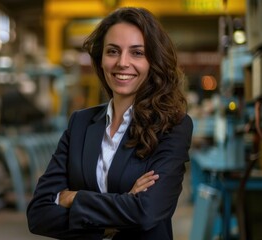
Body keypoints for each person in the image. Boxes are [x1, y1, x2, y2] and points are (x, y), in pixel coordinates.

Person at [26, 6, 193, 240]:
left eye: (137, 53)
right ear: (101, 59)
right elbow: (38, 214)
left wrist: (73, 198)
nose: (122, 63)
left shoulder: (172, 127)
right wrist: (112, 221)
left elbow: (147, 212)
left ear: (153, 60)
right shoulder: (80, 124)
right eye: (113, 51)